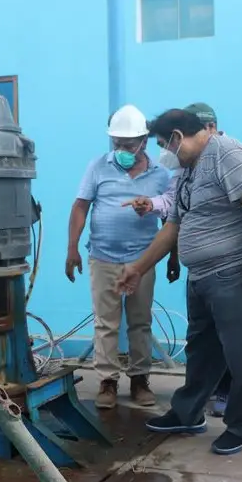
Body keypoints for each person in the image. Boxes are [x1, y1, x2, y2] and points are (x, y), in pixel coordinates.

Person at [116, 108, 242, 456]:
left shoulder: (227, 153)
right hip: (204, 278)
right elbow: (173, 228)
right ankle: (187, 413)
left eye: (163, 144)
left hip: (238, 272)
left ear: (178, 136)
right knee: (202, 351)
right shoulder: (187, 172)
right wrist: (138, 267)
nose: (164, 152)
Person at [65, 104, 173, 409]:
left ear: (144, 141)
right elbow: (80, 206)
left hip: (143, 260)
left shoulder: (161, 175)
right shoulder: (98, 167)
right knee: (106, 322)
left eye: (128, 145)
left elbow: (171, 218)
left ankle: (140, 380)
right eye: (116, 144)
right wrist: (72, 248)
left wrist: (172, 258)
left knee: (140, 322)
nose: (121, 150)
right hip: (103, 257)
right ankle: (108, 382)